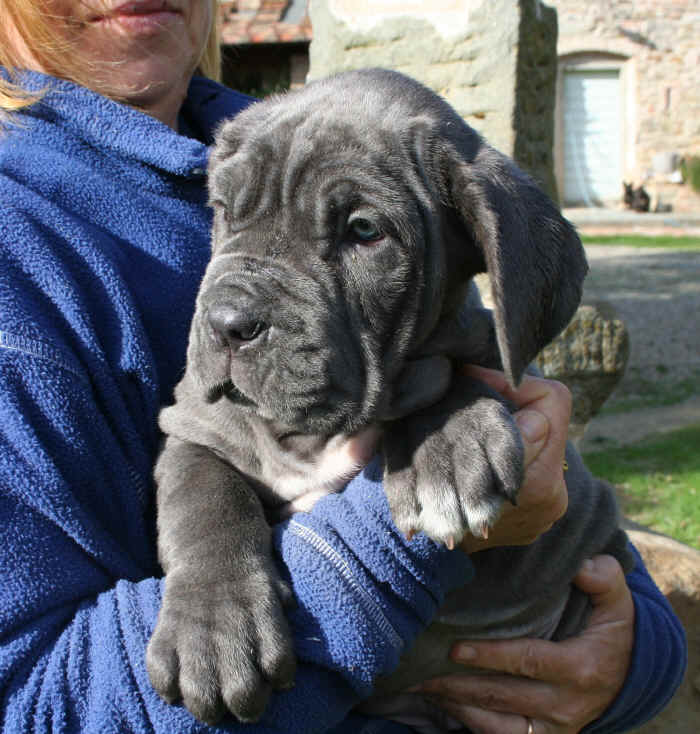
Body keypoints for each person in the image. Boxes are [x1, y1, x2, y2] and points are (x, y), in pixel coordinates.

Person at [0, 2, 685, 733]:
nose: (231, 315)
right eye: (235, 218)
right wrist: (388, 541)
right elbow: (34, 706)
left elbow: (599, 565)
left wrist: (633, 662)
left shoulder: (261, 134)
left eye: (361, 231)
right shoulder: (24, 241)